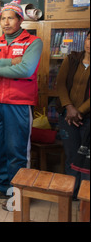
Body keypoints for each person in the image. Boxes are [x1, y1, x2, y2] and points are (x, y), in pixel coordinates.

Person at [0, 0, 43, 201]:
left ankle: (18, 194)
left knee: (17, 150)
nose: (6, 22)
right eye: (3, 19)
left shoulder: (33, 42)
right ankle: (2, 187)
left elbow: (26, 69)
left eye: (10, 18)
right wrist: (10, 63)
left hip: (19, 104)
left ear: (20, 20)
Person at [56, 30, 90, 198]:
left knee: (85, 159)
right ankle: (71, 193)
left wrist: (79, 112)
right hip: (67, 116)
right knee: (71, 155)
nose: (90, 43)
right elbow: (60, 84)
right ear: (85, 40)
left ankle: (85, 196)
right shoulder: (72, 58)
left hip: (87, 118)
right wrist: (69, 107)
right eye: (89, 38)